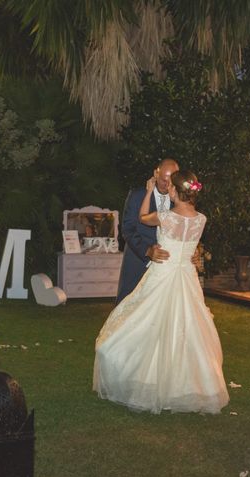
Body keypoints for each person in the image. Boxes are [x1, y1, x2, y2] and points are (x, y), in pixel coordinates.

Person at [93, 171, 229, 414]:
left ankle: (145, 380)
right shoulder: (202, 219)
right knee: (186, 332)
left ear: (175, 192)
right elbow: (190, 245)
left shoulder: (166, 217)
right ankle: (184, 386)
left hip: (163, 274)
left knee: (145, 325)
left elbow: (143, 218)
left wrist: (148, 192)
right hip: (186, 276)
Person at [117, 158, 199, 304]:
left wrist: (193, 250)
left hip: (168, 271)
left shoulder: (180, 200)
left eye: (171, 181)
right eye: (163, 180)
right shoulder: (137, 195)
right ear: (156, 173)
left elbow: (187, 228)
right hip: (138, 262)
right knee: (128, 309)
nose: (167, 184)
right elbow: (128, 229)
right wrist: (147, 251)